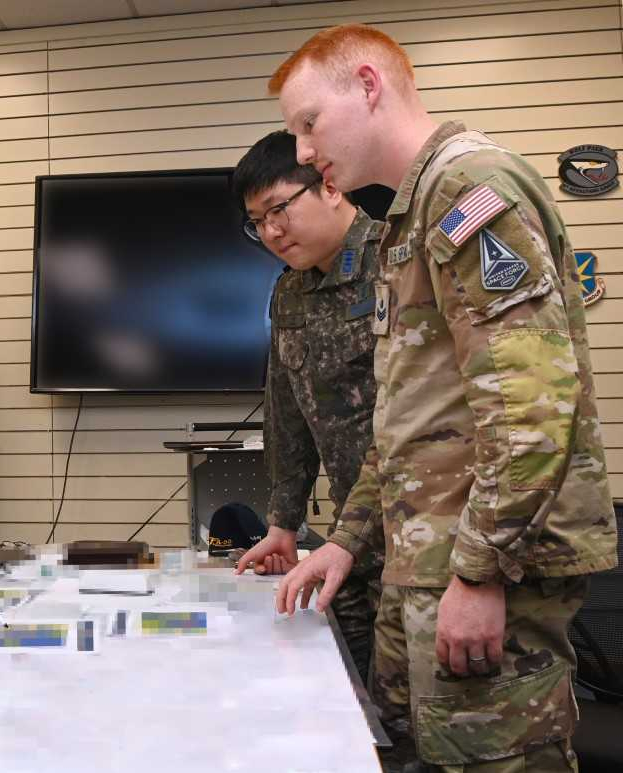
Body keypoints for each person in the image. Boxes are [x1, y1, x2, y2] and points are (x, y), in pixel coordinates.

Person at [270, 24, 617, 771]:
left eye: (307, 124)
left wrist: (481, 571)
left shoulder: (468, 189)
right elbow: (409, 424)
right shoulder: (410, 215)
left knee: (489, 759)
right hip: (425, 557)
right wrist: (346, 537)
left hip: (481, 566)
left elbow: (531, 405)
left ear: (368, 86)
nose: (302, 151)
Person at [229, 131, 385, 686]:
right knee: (346, 695)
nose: (270, 232)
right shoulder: (289, 291)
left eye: (280, 210)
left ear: (332, 186)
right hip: (347, 541)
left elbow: (416, 423)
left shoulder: (398, 265)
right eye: (257, 221)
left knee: (413, 714)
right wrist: (283, 522)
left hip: (420, 543)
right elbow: (286, 412)